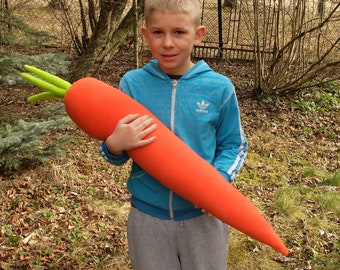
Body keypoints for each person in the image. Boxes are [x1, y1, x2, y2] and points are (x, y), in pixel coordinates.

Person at [99, 0, 248, 269]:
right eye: (158, 32)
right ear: (145, 35)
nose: (168, 43)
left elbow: (234, 145)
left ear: (198, 35)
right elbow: (116, 152)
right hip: (147, 218)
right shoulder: (132, 84)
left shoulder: (219, 88)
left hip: (204, 218)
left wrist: (219, 180)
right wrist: (114, 144)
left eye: (179, 32)